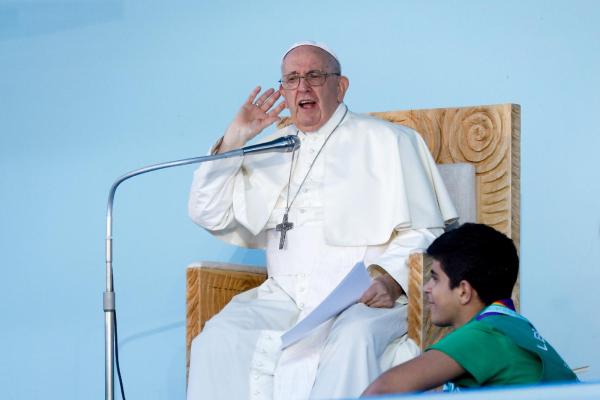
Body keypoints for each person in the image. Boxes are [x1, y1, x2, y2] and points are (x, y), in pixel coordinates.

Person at [187, 40, 457, 400]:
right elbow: (207, 211)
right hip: (283, 294)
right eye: (292, 79)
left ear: (340, 86)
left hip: (362, 294)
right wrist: (236, 139)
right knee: (218, 340)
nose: (302, 87)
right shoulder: (272, 147)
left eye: (314, 75)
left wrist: (390, 279)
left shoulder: (389, 141)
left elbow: (426, 229)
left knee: (352, 339)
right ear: (282, 90)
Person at [362, 223, 578, 396]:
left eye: (435, 278)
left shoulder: (486, 334)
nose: (426, 288)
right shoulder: (515, 326)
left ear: (464, 291)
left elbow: (383, 390)